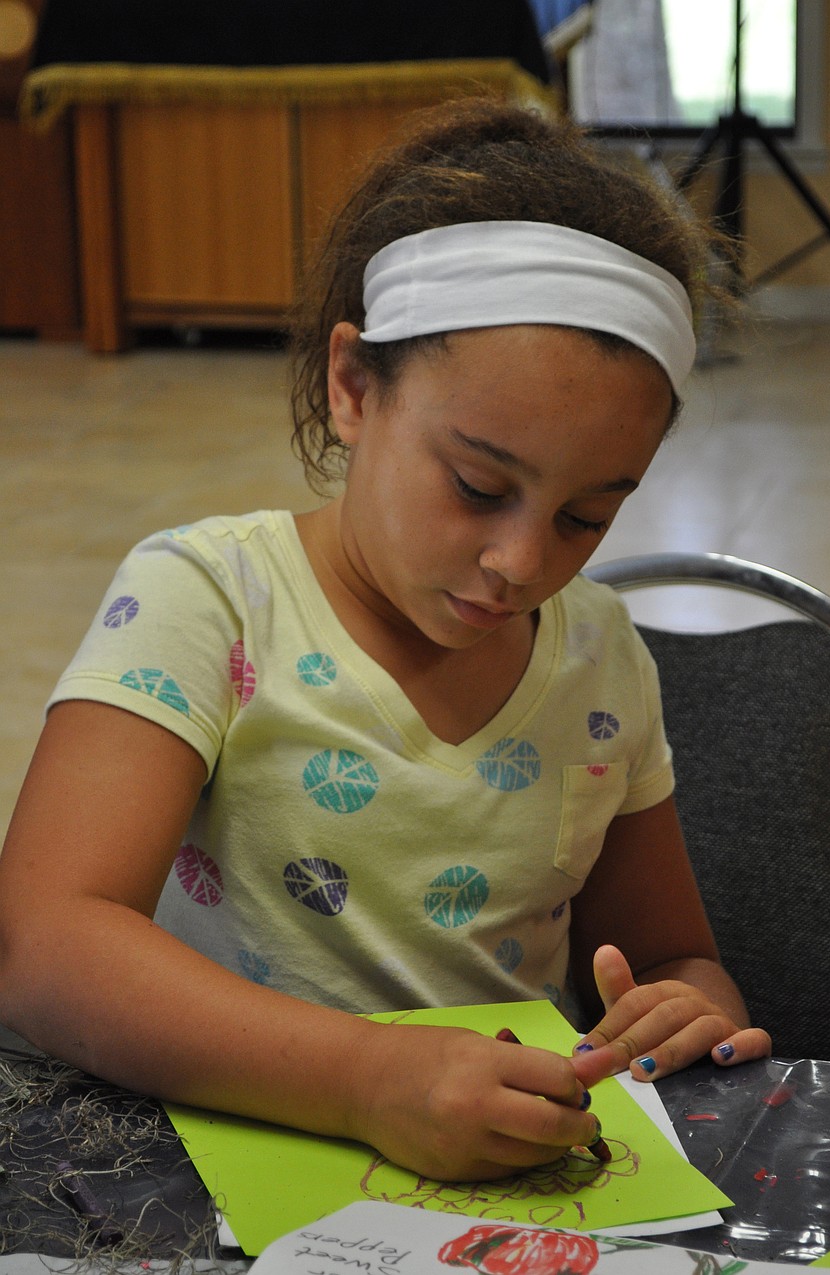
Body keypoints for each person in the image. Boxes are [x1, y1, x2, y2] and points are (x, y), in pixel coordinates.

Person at [0, 97, 771, 1183]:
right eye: (477, 485)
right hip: (203, 1172)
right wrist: (368, 1079)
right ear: (352, 387)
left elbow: (673, 954)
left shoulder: (599, 656)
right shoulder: (209, 599)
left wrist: (690, 1005)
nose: (520, 561)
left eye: (586, 516)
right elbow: (43, 944)